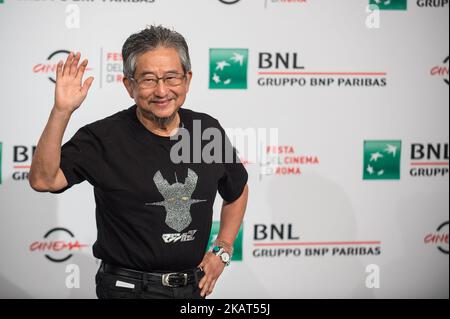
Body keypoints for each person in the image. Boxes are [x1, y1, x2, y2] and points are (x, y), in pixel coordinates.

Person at [29, 25, 249, 299]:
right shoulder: (103, 138)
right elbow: (43, 180)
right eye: (147, 80)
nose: (161, 91)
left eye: (171, 77)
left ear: (187, 79)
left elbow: (237, 190)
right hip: (128, 290)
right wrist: (61, 111)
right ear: (128, 85)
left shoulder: (206, 131)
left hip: (193, 289)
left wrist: (223, 248)